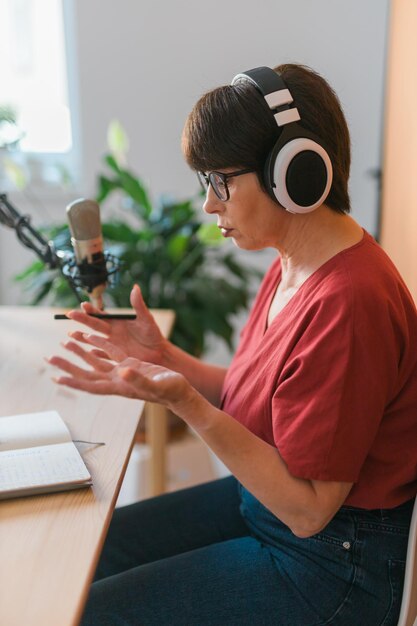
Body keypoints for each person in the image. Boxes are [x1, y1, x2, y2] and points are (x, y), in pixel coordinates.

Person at [47, 64, 417, 626]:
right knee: (83, 559)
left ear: (293, 172)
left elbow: (310, 510)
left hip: (329, 566)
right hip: (266, 507)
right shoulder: (295, 260)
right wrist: (163, 359)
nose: (208, 205)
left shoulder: (351, 301)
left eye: (220, 181)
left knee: (91, 613)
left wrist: (185, 404)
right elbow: (258, 403)